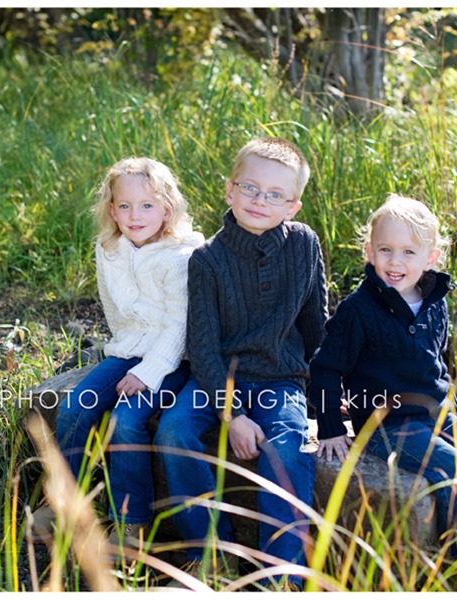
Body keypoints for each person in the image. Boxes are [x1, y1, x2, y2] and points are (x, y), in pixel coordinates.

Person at [307, 194, 457, 590]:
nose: (395, 262)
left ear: (432, 257)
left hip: (436, 414)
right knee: (455, 470)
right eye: (386, 250)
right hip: (387, 424)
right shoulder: (358, 310)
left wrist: (454, 412)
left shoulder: (433, 302)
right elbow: (325, 369)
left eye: (408, 252)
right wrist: (329, 426)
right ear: (370, 251)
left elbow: (437, 365)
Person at [153, 137, 327, 591]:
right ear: (229, 190)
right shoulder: (207, 260)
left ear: (293, 206)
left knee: (288, 444)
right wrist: (232, 414)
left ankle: (279, 575)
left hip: (280, 377)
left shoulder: (305, 245)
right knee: (174, 432)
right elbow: (204, 348)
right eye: (250, 188)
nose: (259, 201)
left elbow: (315, 324)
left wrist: (329, 394)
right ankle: (209, 555)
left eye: (275, 195)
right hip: (215, 379)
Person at [45, 157, 203, 549]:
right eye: (125, 206)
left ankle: (132, 526)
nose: (135, 215)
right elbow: (114, 310)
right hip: (127, 351)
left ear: (167, 208)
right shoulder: (109, 247)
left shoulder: (180, 256)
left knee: (127, 420)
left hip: (174, 360)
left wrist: (148, 374)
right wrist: (125, 361)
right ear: (111, 208)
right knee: (75, 408)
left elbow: (178, 328)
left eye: (147, 205)